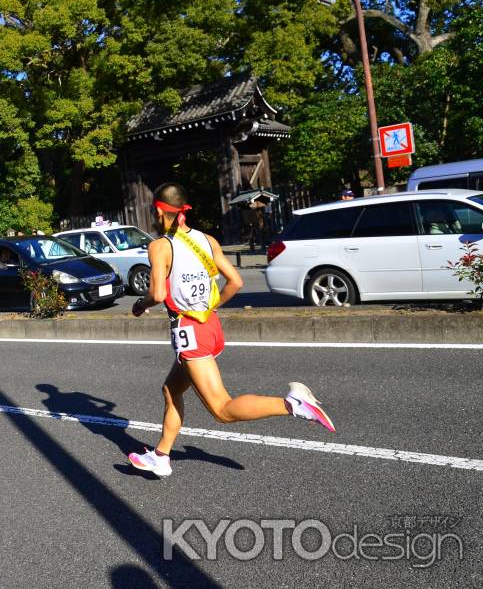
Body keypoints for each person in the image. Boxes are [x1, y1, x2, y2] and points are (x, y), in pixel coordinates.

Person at [128, 183, 335, 477]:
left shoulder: (160, 246)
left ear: (160, 211)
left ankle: (292, 405)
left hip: (190, 331)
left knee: (222, 409)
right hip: (210, 326)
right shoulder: (206, 240)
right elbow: (235, 282)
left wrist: (140, 304)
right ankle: (161, 455)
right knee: (171, 389)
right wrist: (211, 308)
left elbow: (158, 295)